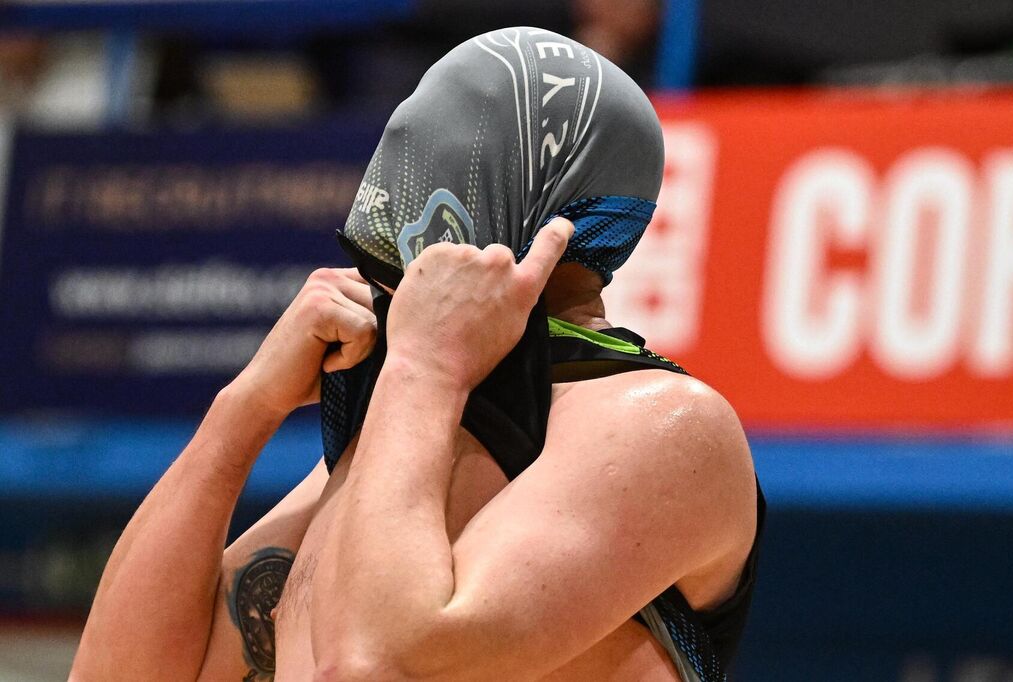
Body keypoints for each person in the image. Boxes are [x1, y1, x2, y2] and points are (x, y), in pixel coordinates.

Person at [71, 27, 762, 681]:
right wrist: (245, 407)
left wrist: (424, 369)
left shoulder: (663, 428)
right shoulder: (408, 430)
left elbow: (375, 665)